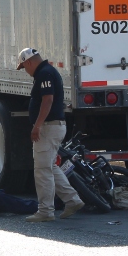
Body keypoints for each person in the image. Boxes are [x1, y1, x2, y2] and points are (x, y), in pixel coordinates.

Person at [17, 48, 84, 222]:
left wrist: (37, 126)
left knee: (42, 170)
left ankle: (45, 211)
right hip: (53, 127)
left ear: (29, 62)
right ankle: (72, 200)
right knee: (49, 167)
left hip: (48, 128)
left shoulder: (44, 74)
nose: (26, 71)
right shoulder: (48, 72)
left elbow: (48, 100)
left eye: (24, 67)